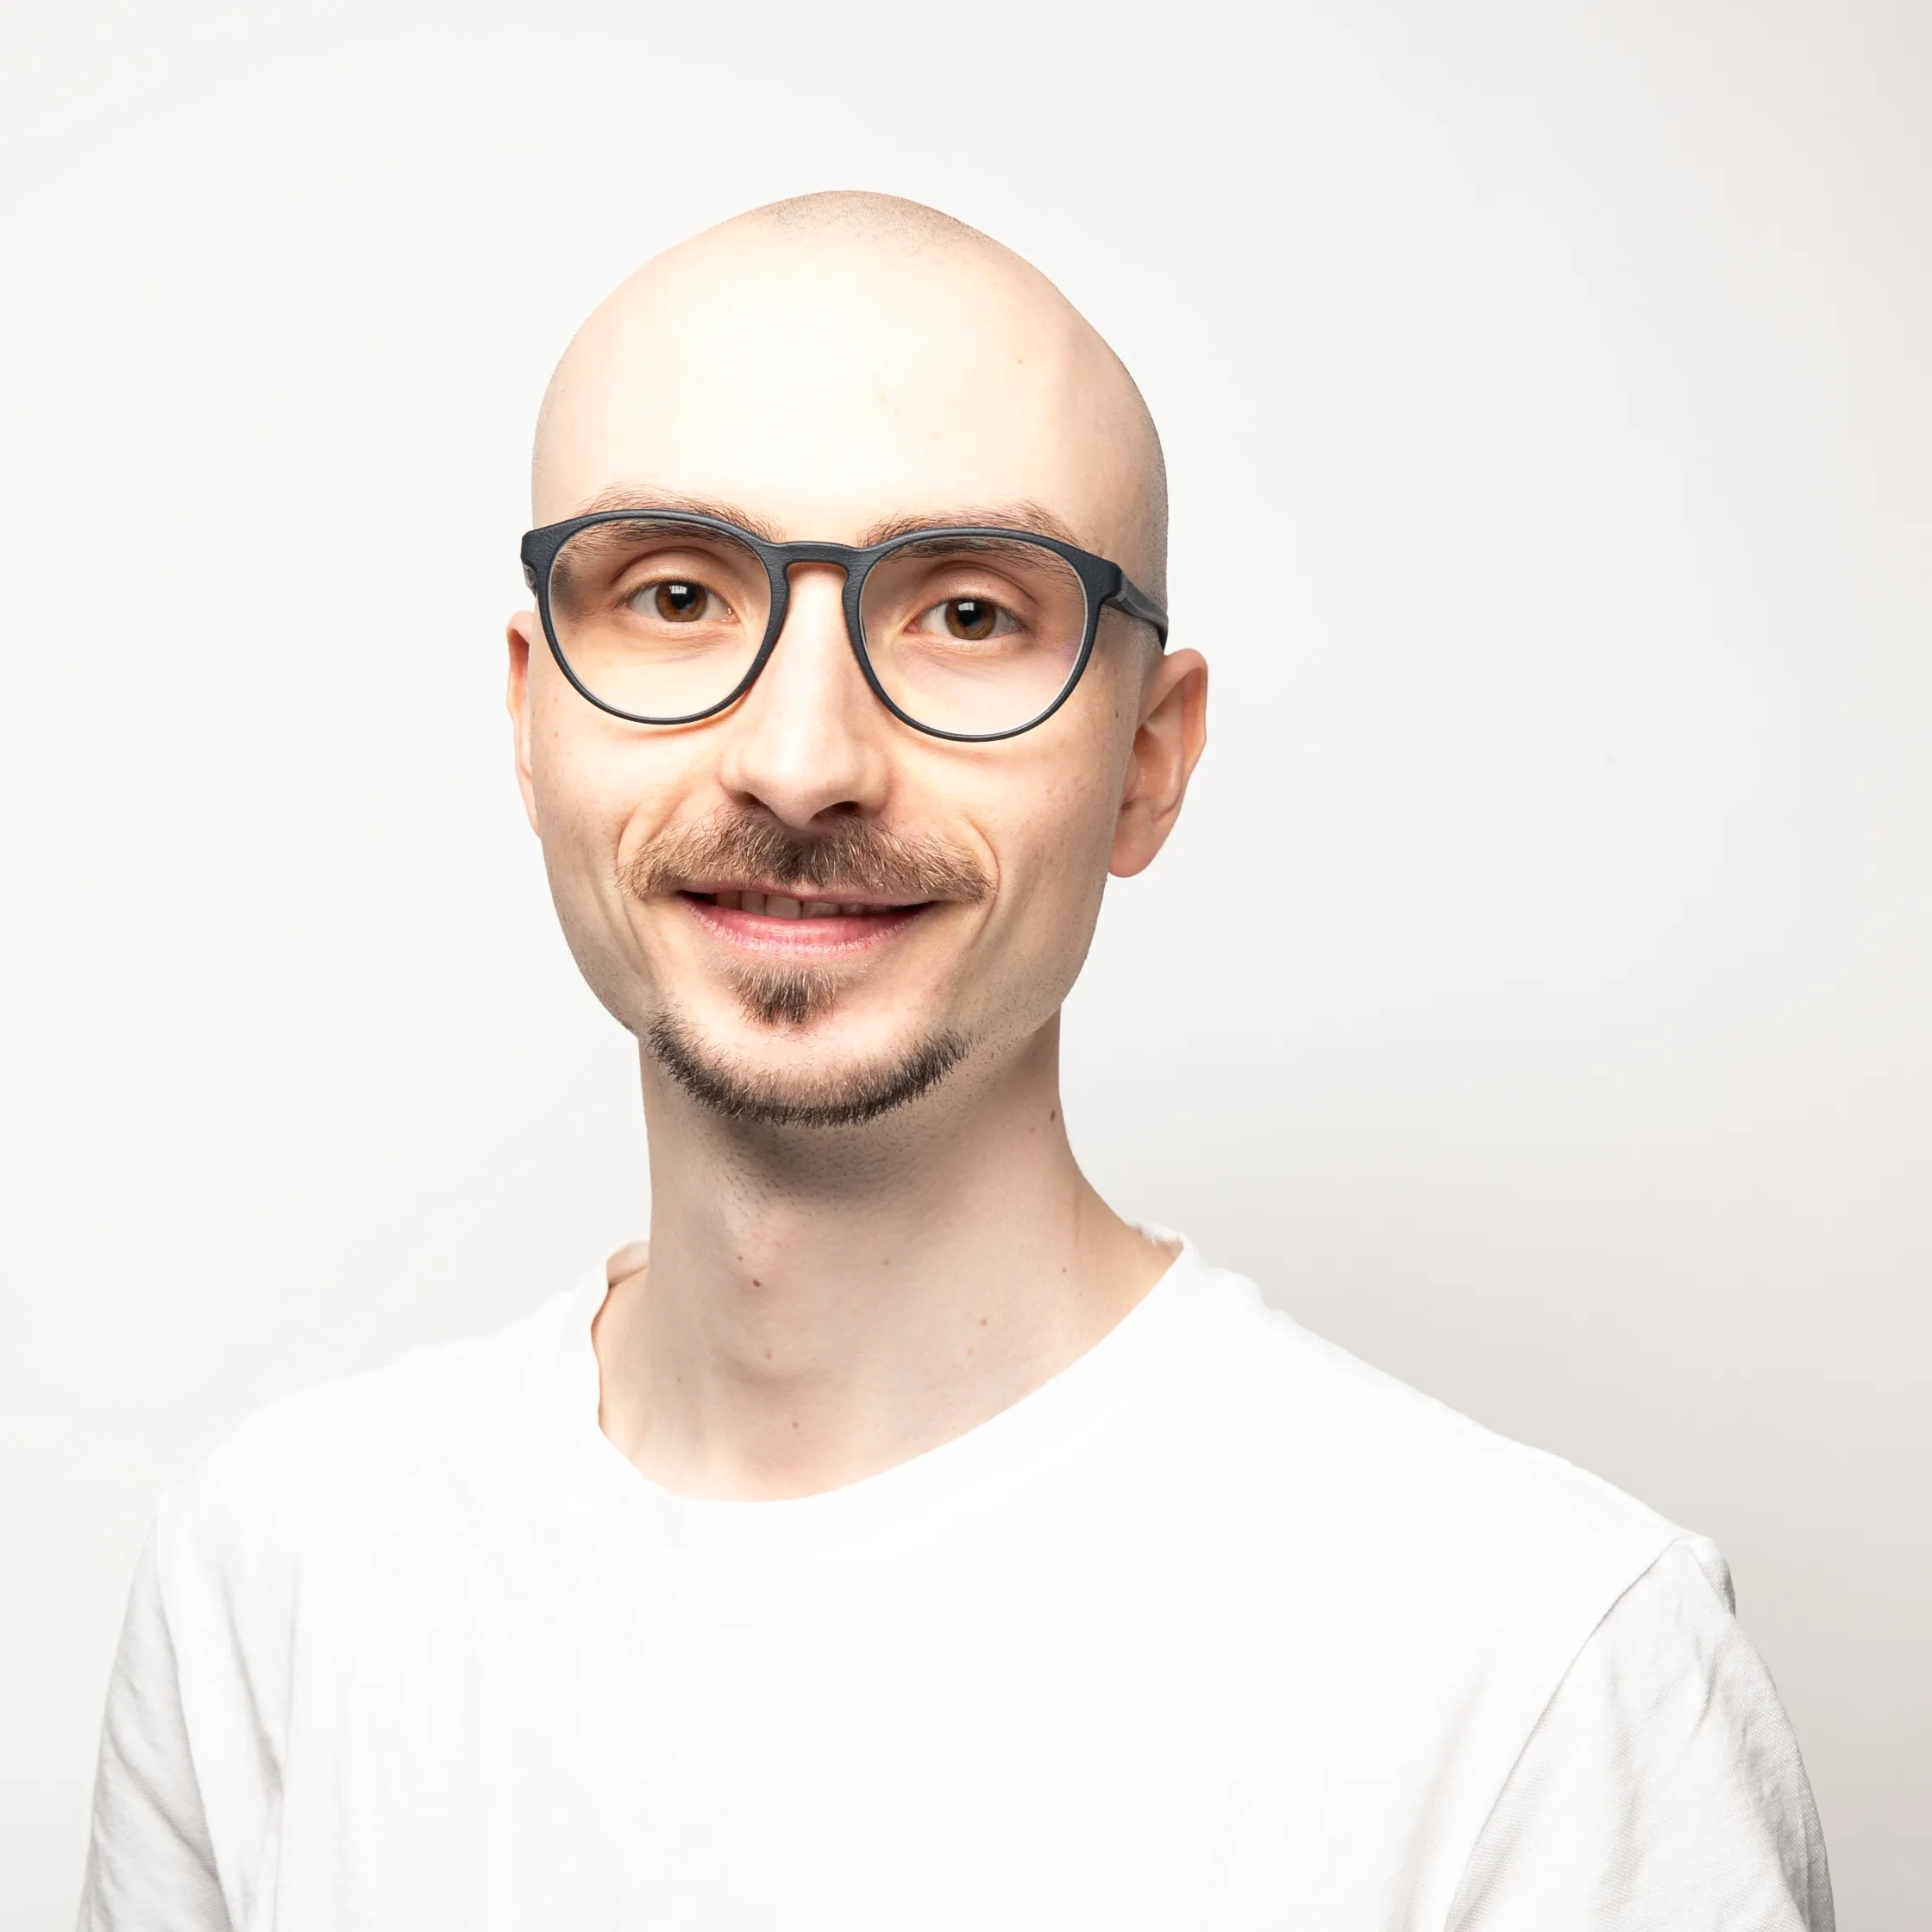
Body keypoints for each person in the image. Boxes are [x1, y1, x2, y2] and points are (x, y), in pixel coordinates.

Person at [78, 191, 1833, 1931]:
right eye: (678, 593)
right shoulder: (273, 1580)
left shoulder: (1540, 1679)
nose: (799, 758)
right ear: (532, 719)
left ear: (1147, 760)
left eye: (969, 614)